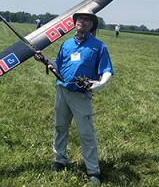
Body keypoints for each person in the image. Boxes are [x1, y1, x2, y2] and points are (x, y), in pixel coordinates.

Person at [34, 10, 113, 185]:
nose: (82, 22)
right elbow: (58, 67)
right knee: (60, 126)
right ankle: (60, 160)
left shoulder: (99, 46)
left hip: (81, 95)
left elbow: (107, 70)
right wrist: (45, 60)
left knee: (86, 133)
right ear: (75, 22)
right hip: (62, 91)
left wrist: (99, 84)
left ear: (92, 25)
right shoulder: (67, 44)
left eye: (87, 20)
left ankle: (93, 170)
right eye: (80, 19)